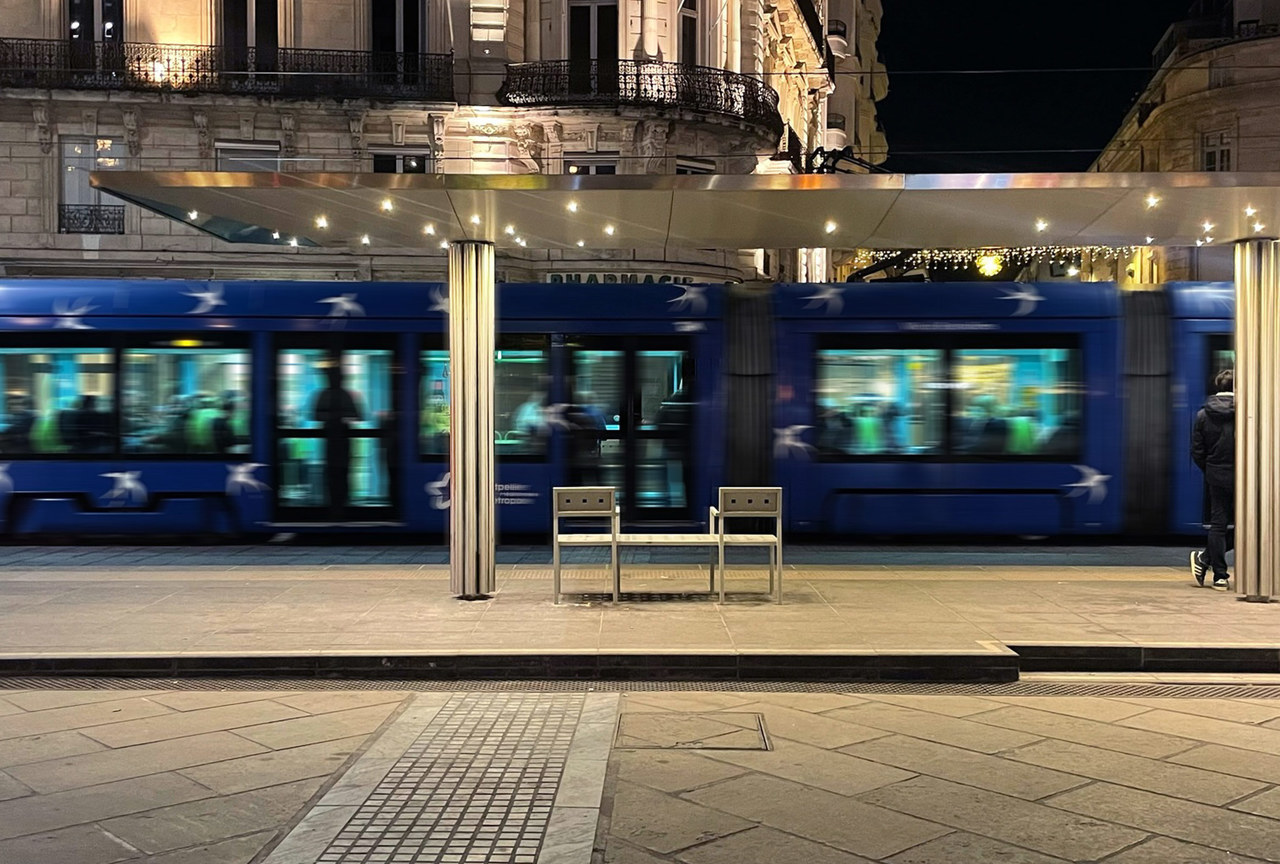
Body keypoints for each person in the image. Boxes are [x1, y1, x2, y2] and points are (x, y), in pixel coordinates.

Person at [1191, 368, 1235, 591]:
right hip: (1245, 477)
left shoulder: (1202, 415)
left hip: (1216, 475)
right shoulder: (1246, 412)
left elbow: (1197, 451)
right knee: (1249, 525)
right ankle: (1206, 559)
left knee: (1218, 524)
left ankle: (1218, 575)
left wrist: (1211, 469)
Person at [312, 362, 362, 517]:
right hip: (335, 439)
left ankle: (340, 504)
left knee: (341, 473)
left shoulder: (329, 394)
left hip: (339, 439)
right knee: (335, 473)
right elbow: (316, 415)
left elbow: (357, 415)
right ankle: (337, 504)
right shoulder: (334, 394)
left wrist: (333, 416)